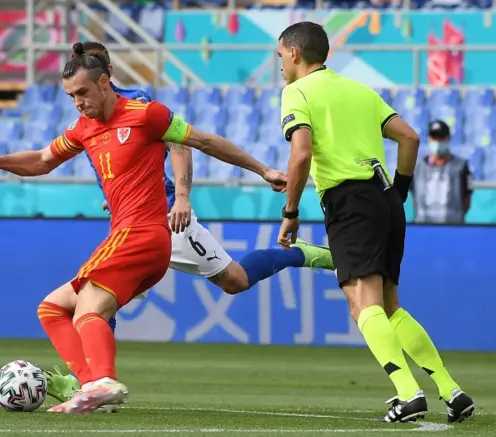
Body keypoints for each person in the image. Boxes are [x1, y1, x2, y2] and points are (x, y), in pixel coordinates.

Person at [0, 42, 286, 414]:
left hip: (142, 233)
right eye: (71, 96)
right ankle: (91, 386)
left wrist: (262, 169)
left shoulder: (146, 114)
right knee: (53, 309)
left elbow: (203, 141)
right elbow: (42, 160)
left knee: (88, 310)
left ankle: (102, 382)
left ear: (105, 82)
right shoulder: (83, 128)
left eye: (84, 92)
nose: (78, 102)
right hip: (131, 237)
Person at [38, 40, 334, 411]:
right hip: (127, 224)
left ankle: (298, 254)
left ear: (106, 74)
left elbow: (182, 144)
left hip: (164, 218)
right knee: (95, 301)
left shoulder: (139, 103)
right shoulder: (88, 117)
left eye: (87, 83)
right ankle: (95, 383)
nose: (79, 97)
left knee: (235, 281)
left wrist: (181, 197)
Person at [276, 21, 474, 424]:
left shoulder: (296, 92)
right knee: (387, 304)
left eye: (280, 56)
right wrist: (398, 191)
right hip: (385, 199)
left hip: (349, 201)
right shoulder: (359, 90)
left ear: (295, 54)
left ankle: (408, 393)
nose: (279, 65)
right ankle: (451, 391)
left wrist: (291, 213)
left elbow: (300, 154)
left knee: (362, 304)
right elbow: (411, 138)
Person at [411, 120, 473, 224]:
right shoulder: (417, 167)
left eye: (441, 138)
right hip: (423, 228)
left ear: (448, 139)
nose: (437, 142)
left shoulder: (461, 166)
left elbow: (466, 200)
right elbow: (414, 197)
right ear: (429, 139)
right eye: (434, 138)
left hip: (452, 228)